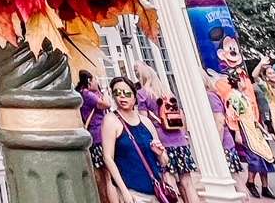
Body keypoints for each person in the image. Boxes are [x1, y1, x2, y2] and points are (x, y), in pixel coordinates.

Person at [102, 75, 170, 203]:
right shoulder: (111, 120)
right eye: (117, 93)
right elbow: (108, 158)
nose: (122, 96)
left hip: (155, 190)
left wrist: (160, 154)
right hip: (133, 192)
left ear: (134, 96)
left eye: (126, 93)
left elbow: (164, 161)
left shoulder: (146, 122)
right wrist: (124, 192)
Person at [136, 63, 197, 203]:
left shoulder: (142, 94)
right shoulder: (167, 93)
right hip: (180, 140)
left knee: (169, 181)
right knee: (187, 183)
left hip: (162, 141)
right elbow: (180, 114)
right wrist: (185, 135)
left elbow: (144, 120)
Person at [227, 66, 275, 198]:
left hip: (254, 129)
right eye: (242, 80)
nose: (244, 83)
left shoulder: (244, 96)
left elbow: (252, 117)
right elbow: (232, 116)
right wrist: (237, 132)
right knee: (254, 157)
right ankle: (250, 182)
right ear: (237, 82)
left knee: (265, 155)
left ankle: (265, 186)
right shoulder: (233, 97)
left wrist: (262, 129)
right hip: (245, 131)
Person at [80, 70, 120, 203]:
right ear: (89, 81)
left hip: (96, 136)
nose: (97, 82)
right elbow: (107, 104)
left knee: (103, 176)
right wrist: (105, 92)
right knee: (108, 176)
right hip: (99, 136)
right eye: (95, 79)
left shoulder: (84, 94)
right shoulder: (88, 95)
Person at [208, 71, 250, 197]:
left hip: (224, 144)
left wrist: (217, 144)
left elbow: (220, 120)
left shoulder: (210, 96)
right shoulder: (215, 94)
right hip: (227, 143)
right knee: (235, 179)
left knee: (235, 180)